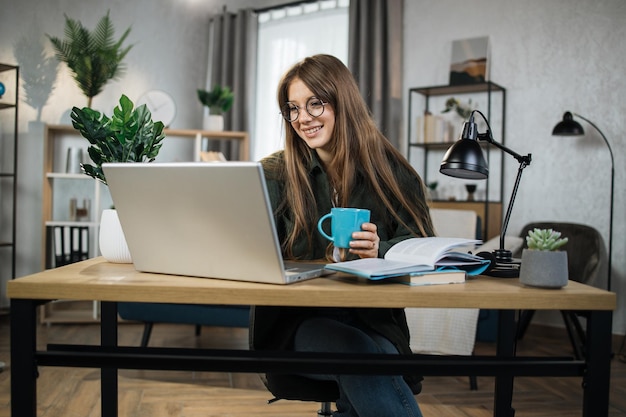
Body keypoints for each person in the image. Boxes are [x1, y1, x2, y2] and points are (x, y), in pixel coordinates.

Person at [253, 54, 434, 417]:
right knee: (363, 356)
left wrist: (381, 250)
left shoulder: (393, 174)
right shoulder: (272, 174)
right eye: (292, 108)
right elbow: (250, 247)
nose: (302, 118)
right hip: (299, 323)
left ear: (343, 103)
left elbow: (425, 249)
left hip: (373, 318)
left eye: (314, 103)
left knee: (373, 355)